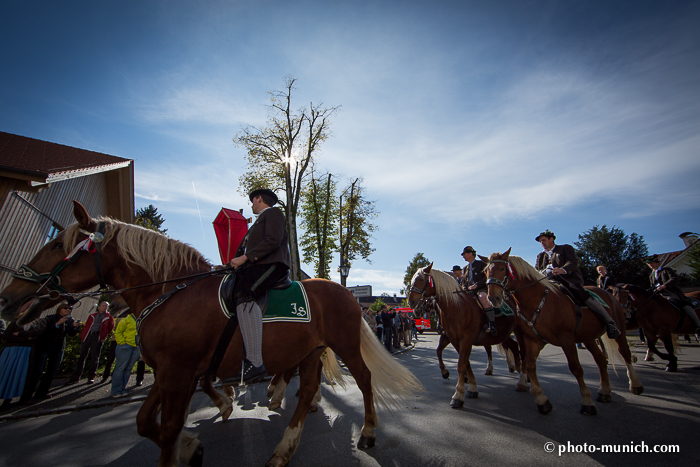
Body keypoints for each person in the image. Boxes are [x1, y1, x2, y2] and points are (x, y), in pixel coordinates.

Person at [228, 188, 291, 383]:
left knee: (243, 293)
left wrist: (246, 257)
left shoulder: (273, 213)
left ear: (259, 198)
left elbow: (273, 240)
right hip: (256, 265)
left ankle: (255, 362)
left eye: (252, 201)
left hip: (272, 265)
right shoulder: (258, 221)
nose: (252, 205)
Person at [535, 230, 620, 338]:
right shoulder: (540, 256)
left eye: (543, 240)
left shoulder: (565, 248)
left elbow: (572, 262)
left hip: (568, 280)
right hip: (550, 282)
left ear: (551, 239)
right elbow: (537, 270)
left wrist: (562, 270)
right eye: (540, 241)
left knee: (580, 293)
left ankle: (610, 322)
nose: (542, 243)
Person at [30, 302, 80, 400]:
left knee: (51, 371)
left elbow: (71, 334)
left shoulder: (70, 320)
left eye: (69, 309)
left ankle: (42, 393)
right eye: (65, 308)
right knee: (38, 370)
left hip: (58, 348)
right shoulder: (50, 318)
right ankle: (27, 395)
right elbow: (45, 331)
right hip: (46, 346)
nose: (68, 310)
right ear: (60, 309)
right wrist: (57, 324)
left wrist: (75, 327)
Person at [646, 255, 700, 340]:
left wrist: (664, 286)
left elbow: (674, 278)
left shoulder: (666, 270)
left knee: (682, 304)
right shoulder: (651, 276)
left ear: (657, 263)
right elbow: (652, 287)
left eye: (651, 263)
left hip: (671, 293)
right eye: (649, 264)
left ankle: (698, 326)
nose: (650, 265)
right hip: (660, 295)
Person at [0, 308, 45, 408]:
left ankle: (7, 400)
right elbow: (6, 336)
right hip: (10, 351)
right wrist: (26, 338)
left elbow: (37, 335)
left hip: (25, 352)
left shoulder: (37, 325)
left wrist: (19, 334)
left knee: (16, 375)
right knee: (4, 373)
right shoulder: (15, 323)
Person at [65, 298, 115, 385]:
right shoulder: (92, 315)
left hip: (97, 337)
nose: (105, 307)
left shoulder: (109, 317)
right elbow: (87, 326)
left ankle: (91, 376)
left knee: (94, 357)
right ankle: (75, 377)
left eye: (106, 306)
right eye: (103, 306)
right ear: (99, 307)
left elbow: (110, 328)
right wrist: (83, 336)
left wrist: (104, 336)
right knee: (82, 356)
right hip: (88, 336)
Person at [461, 246, 497, 335]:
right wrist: (464, 288)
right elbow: (464, 282)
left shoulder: (481, 264)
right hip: (468, 291)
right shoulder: (465, 268)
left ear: (470, 254)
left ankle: (491, 324)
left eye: (464, 254)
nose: (463, 256)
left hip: (481, 289)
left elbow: (487, 277)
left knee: (483, 297)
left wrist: (476, 285)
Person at [111, 309, 140, 398]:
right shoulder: (127, 318)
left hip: (136, 347)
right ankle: (116, 390)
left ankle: (123, 389)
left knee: (128, 369)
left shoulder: (140, 318)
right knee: (120, 368)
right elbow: (118, 331)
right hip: (126, 346)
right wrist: (122, 342)